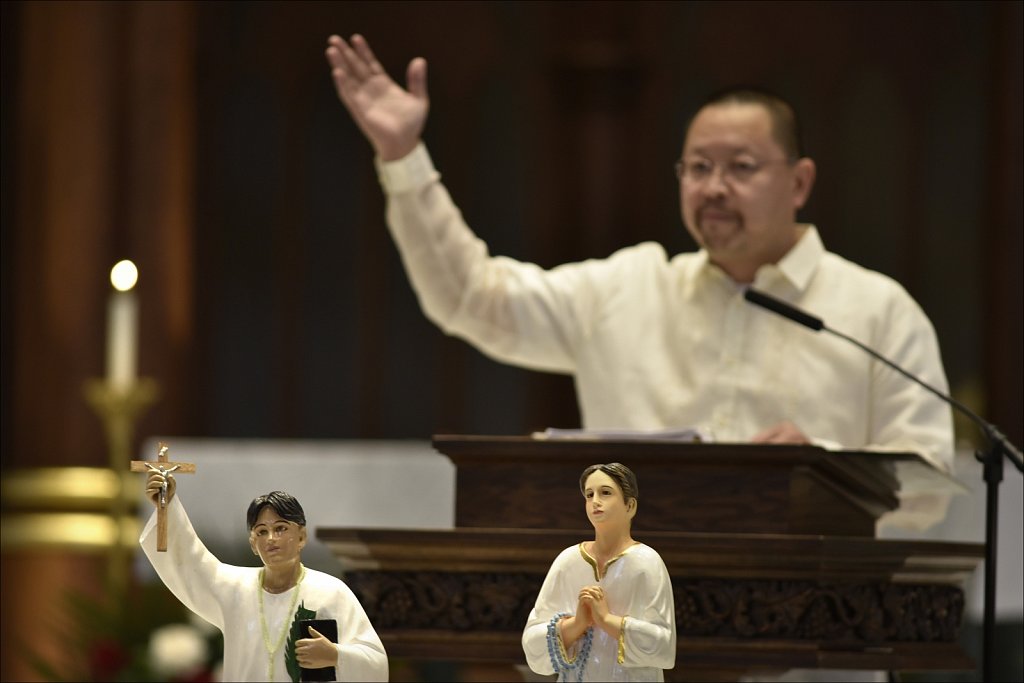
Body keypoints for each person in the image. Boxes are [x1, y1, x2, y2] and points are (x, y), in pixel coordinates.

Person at [323, 35, 955, 529]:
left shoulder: (875, 310)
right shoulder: (628, 290)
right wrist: (404, 158)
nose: (713, 187)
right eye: (698, 167)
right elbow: (472, 297)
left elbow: (929, 485)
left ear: (799, 182)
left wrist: (822, 466)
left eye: (741, 167)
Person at [140, 470, 389, 682]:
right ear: (252, 544)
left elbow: (376, 664)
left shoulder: (330, 592)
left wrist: (336, 656)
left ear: (301, 537)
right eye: (262, 531)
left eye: (281, 528)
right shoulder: (234, 588)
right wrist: (167, 506)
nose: (271, 539)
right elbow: (192, 565)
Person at [522, 462, 676, 681]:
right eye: (589, 494)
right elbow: (532, 641)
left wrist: (606, 619)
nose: (595, 501)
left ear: (630, 506)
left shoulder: (647, 563)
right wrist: (576, 624)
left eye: (605, 493)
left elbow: (663, 645)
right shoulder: (568, 561)